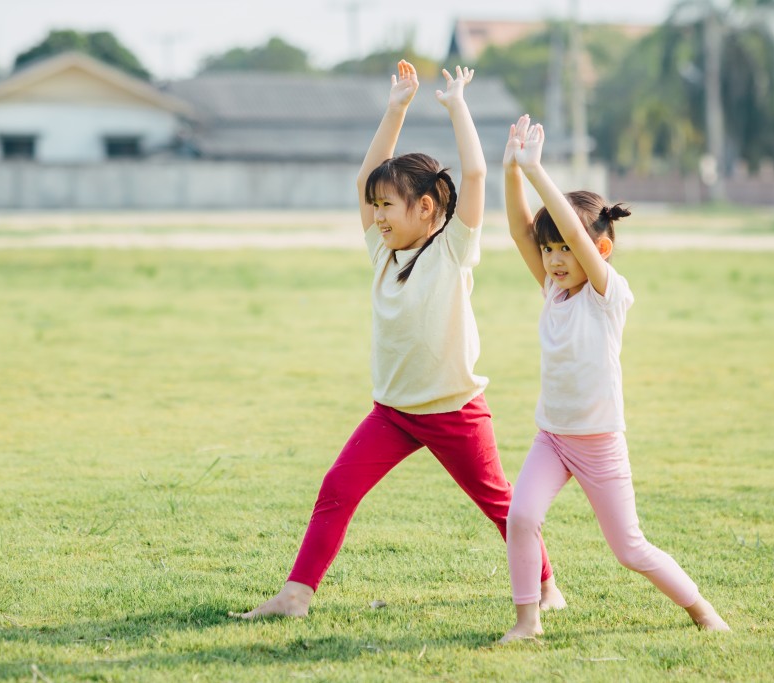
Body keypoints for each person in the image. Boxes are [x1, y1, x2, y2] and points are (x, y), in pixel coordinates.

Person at [230, 62, 565, 619]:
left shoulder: (453, 249)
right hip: (393, 412)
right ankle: (295, 595)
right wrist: (396, 108)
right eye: (376, 206)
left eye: (388, 205)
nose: (378, 215)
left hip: (454, 410)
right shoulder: (382, 254)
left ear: (425, 207)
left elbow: (475, 174)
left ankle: (548, 586)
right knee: (337, 488)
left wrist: (457, 105)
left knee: (500, 505)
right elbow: (365, 177)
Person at [499, 115, 730, 642]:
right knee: (521, 517)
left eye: (565, 249)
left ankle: (701, 610)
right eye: (549, 251)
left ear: (597, 251)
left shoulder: (607, 295)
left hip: (599, 443)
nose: (554, 260)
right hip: (552, 438)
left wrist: (537, 171)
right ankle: (528, 622)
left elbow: (571, 232)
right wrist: (511, 169)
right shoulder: (554, 291)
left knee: (629, 548)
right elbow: (519, 230)